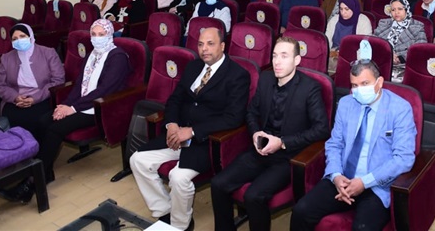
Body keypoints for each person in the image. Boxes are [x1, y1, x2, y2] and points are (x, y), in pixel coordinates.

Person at [0, 19, 132, 204]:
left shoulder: (118, 57)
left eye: (101, 34)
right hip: (82, 104)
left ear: (110, 35)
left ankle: (32, 182)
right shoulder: (92, 54)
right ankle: (45, 173)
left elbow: (104, 90)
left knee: (55, 129)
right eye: (93, 34)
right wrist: (64, 105)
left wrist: (73, 108)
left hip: (101, 107)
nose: (97, 38)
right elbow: (79, 85)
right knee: (43, 121)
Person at [131, 27, 250, 231]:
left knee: (178, 178)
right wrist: (171, 124)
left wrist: (193, 131)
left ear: (222, 46)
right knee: (138, 160)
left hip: (207, 141)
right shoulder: (194, 66)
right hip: (178, 134)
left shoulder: (238, 75)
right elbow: (175, 99)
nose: (204, 49)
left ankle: (181, 224)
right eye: (201, 44)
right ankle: (164, 210)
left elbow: (233, 118)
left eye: (210, 44)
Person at [210, 37, 329, 231]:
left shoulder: (310, 88)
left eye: (284, 56)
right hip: (260, 149)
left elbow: (321, 129)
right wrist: (255, 132)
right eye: (274, 56)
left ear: (297, 60)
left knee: (253, 196)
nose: (277, 62)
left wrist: (282, 142)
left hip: (287, 157)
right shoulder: (265, 79)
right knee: (218, 184)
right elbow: (251, 112)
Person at [290, 59, 417, 230]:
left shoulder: (400, 109)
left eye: (365, 84)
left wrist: (364, 182)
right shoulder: (346, 104)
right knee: (301, 211)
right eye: (354, 85)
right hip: (343, 178)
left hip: (376, 184)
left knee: (362, 228)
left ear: (379, 82)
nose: (359, 90)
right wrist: (336, 176)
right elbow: (335, 144)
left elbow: (403, 158)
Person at [0, 23, 65, 138]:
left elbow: (58, 80)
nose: (19, 40)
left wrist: (34, 98)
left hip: (43, 96)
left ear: (31, 36)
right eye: (15, 39)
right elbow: (0, 86)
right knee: (11, 117)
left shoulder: (48, 53)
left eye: (22, 36)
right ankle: (17, 146)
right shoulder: (6, 58)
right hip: (16, 99)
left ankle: (36, 147)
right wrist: (15, 97)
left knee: (35, 118)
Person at [373, 0, 427, 81]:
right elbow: (374, 43)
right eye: (393, 10)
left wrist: (400, 58)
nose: (396, 12)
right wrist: (388, 55)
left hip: (404, 66)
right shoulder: (384, 23)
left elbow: (420, 50)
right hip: (382, 62)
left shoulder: (417, 26)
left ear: (406, 10)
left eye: (400, 9)